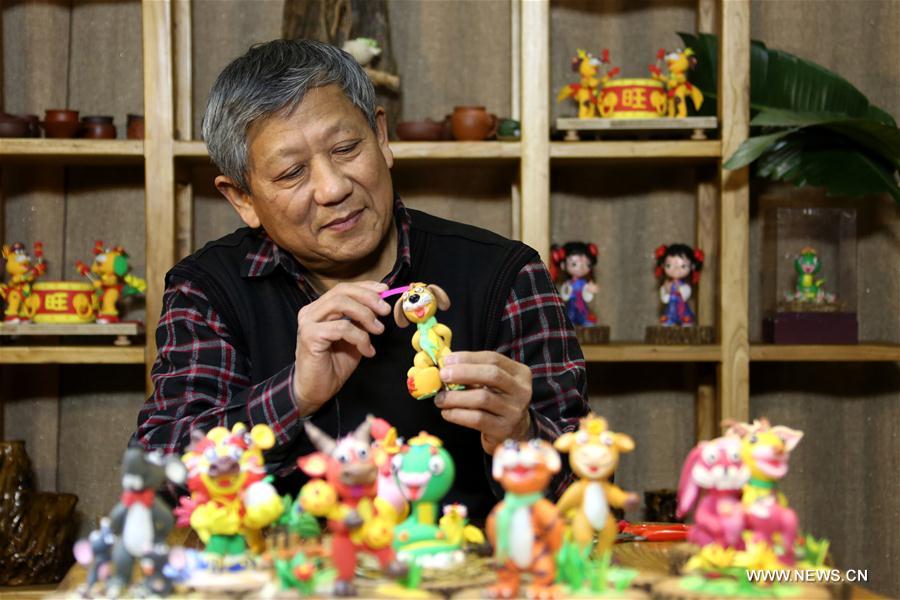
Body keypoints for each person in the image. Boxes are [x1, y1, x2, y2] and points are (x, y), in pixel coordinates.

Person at [134, 39, 588, 519]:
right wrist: (296, 395)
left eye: (347, 148)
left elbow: (587, 500)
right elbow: (159, 483)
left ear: (381, 136)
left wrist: (521, 436)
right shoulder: (206, 290)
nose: (333, 188)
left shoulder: (504, 275)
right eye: (291, 173)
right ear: (242, 198)